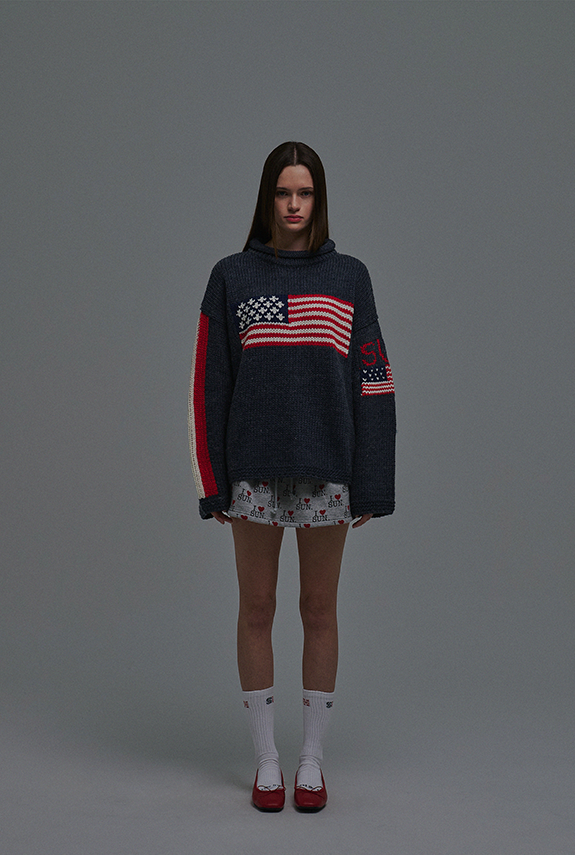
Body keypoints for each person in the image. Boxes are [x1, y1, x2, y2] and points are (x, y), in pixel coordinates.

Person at [188, 142, 395, 811]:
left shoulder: (351, 278)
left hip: (328, 469)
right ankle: (267, 761)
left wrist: (373, 480)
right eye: (284, 192)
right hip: (252, 471)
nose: (295, 205)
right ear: (267, 198)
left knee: (318, 609)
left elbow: (373, 380)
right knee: (256, 609)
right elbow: (209, 385)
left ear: (319, 198)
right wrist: (212, 482)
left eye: (305, 193)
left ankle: (311, 759)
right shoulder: (231, 277)